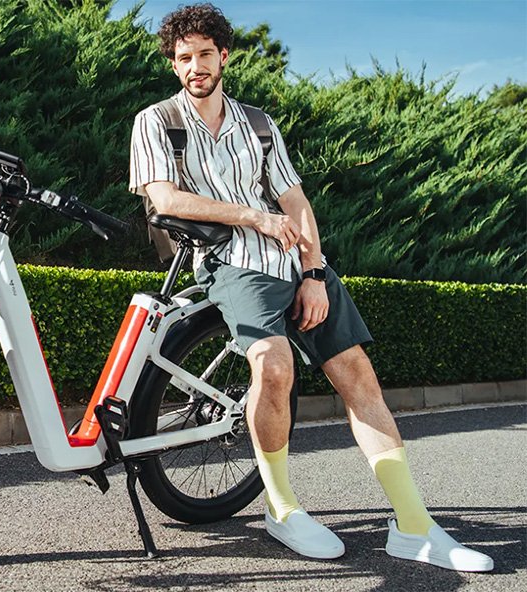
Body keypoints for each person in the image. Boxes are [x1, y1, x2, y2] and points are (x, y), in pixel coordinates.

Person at [128, 3, 493, 572]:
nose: (193, 66)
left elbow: (296, 202)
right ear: (174, 66)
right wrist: (252, 217)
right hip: (227, 261)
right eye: (183, 58)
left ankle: (415, 526)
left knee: (358, 378)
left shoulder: (259, 124)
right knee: (274, 367)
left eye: (203, 54)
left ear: (224, 56)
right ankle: (282, 508)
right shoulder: (156, 121)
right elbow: (165, 200)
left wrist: (315, 271)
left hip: (293, 261)